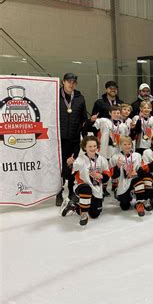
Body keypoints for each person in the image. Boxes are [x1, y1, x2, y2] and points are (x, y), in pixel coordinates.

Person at [62, 136, 110, 226]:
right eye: (90, 146)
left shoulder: (102, 160)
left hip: (96, 189)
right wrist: (68, 164)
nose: (93, 148)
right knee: (86, 188)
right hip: (81, 187)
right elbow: (68, 174)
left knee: (95, 214)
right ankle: (84, 214)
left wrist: (101, 176)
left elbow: (107, 176)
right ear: (84, 147)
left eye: (94, 146)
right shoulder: (80, 160)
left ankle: (74, 206)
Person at [56, 72, 88, 206]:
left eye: (74, 82)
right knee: (59, 166)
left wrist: (85, 138)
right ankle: (58, 191)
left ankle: (70, 191)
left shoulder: (80, 98)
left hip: (74, 138)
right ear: (63, 82)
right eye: (69, 81)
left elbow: (83, 119)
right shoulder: (56, 96)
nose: (71, 84)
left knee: (71, 164)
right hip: (59, 139)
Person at [109, 136, 147, 216]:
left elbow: (142, 170)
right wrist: (117, 167)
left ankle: (139, 203)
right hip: (122, 184)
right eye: (125, 144)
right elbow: (113, 175)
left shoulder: (137, 155)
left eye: (129, 144)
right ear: (120, 145)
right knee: (125, 206)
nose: (127, 146)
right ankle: (120, 193)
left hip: (134, 180)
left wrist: (137, 173)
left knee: (139, 180)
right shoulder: (115, 157)